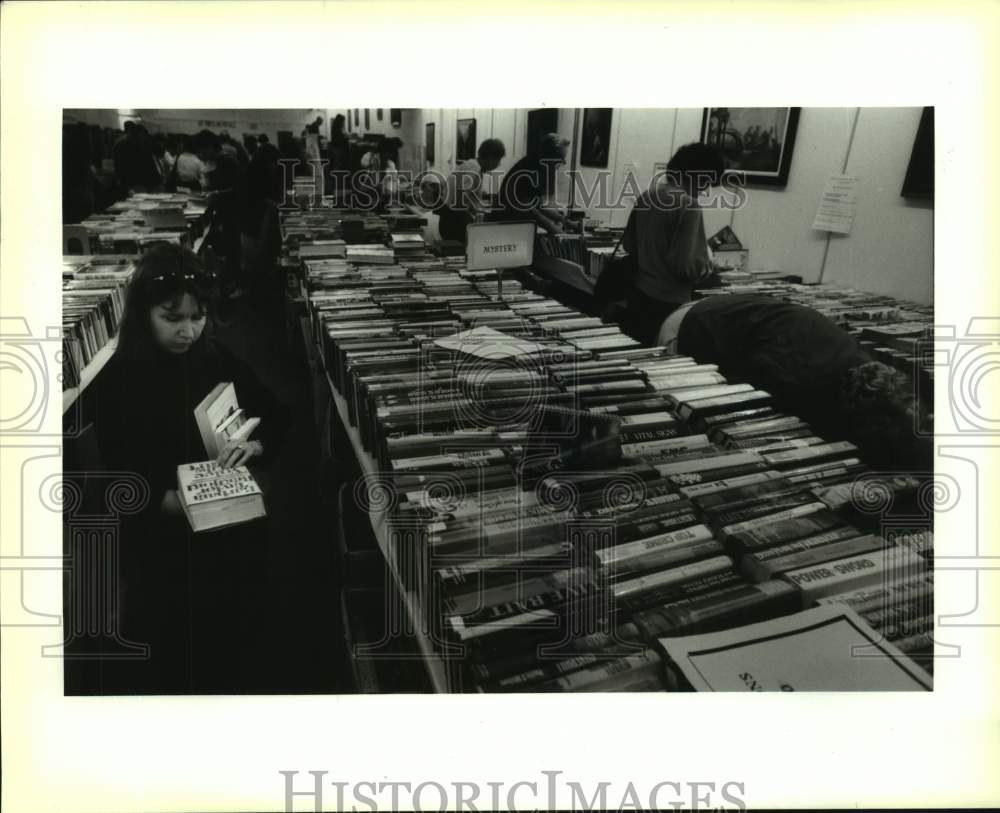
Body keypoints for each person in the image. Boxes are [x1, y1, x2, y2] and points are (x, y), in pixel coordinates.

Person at [89, 243, 288, 692]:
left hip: (229, 531)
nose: (188, 331)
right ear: (143, 315)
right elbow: (119, 472)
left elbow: (276, 414)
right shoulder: (120, 379)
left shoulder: (214, 356)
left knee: (237, 635)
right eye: (171, 318)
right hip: (164, 542)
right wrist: (167, 504)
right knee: (177, 650)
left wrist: (254, 447)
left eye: (197, 317)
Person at [656, 293, 933, 471]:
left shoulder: (863, 365)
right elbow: (735, 399)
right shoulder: (799, 378)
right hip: (690, 325)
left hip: (727, 309)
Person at [619, 142, 725, 346]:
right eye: (706, 184)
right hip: (669, 301)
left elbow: (629, 246)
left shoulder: (647, 195)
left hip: (638, 293)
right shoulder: (689, 205)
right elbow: (685, 266)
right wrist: (708, 267)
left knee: (635, 352)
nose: (704, 191)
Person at [493, 133, 578, 235]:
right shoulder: (530, 168)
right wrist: (552, 227)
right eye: (561, 157)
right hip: (504, 225)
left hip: (512, 224)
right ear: (549, 155)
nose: (564, 162)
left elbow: (538, 205)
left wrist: (565, 221)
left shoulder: (538, 166)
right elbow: (528, 209)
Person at [437, 138, 506, 243]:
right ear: (490, 157)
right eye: (498, 160)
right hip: (454, 220)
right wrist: (471, 219)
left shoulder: (469, 165)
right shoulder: (474, 168)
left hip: (450, 216)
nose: (498, 164)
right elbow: (462, 193)